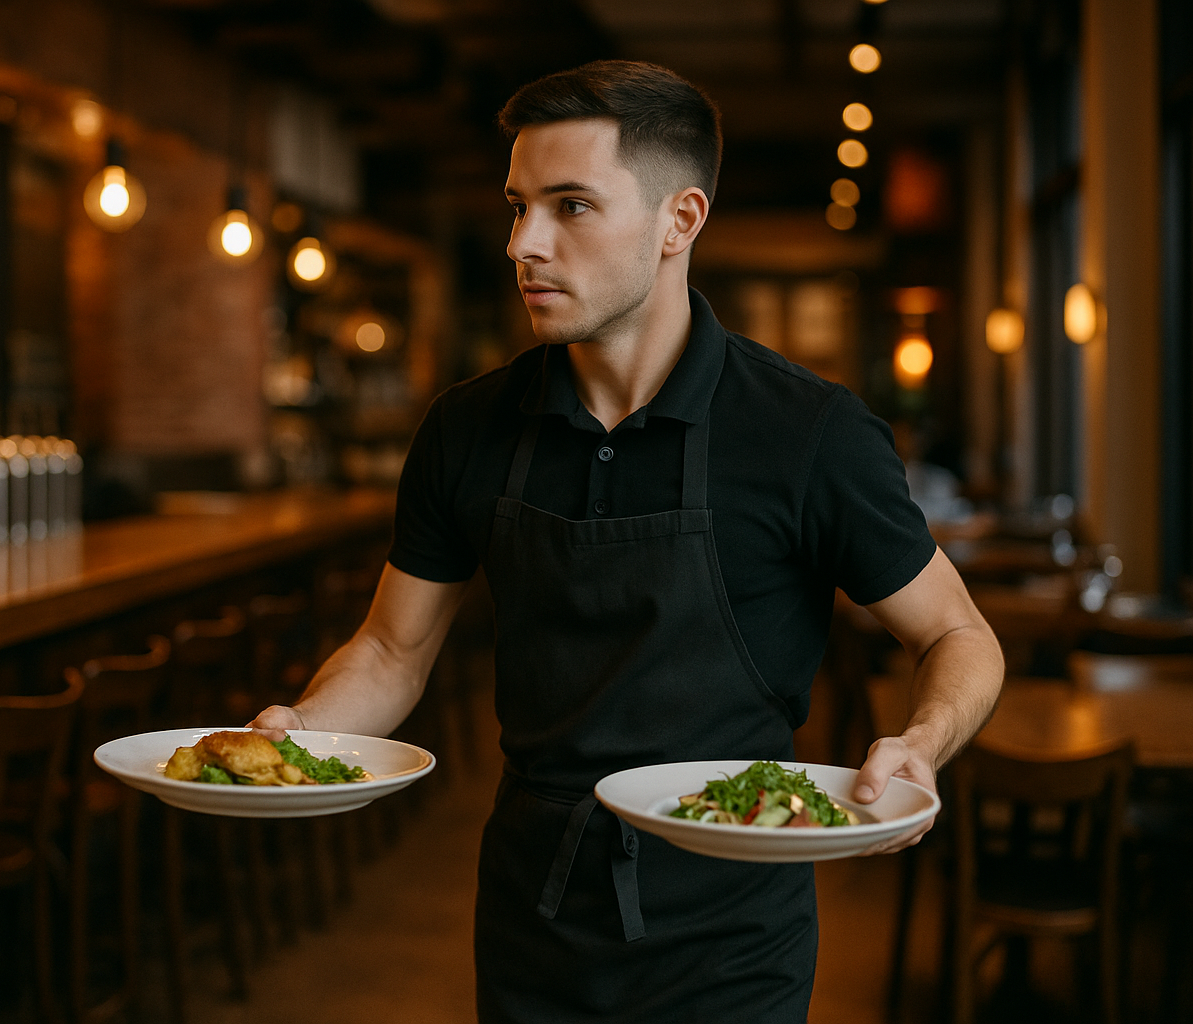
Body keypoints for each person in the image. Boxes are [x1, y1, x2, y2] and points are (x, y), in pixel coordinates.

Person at [252, 60, 1004, 1024]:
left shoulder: (808, 433)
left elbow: (959, 635)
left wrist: (922, 745)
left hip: (733, 927)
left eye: (571, 206)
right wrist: (302, 735)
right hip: (535, 909)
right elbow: (393, 650)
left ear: (679, 220)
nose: (525, 242)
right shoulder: (468, 429)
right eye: (518, 205)